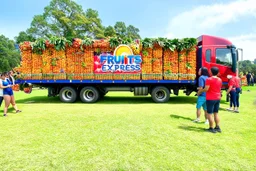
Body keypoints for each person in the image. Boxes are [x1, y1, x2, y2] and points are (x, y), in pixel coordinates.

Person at [198, 67, 222, 133]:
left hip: (211, 98)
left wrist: (200, 91)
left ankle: (211, 128)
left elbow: (206, 89)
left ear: (211, 72)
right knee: (216, 113)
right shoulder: (220, 79)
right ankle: (217, 127)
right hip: (217, 97)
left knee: (209, 114)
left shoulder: (209, 79)